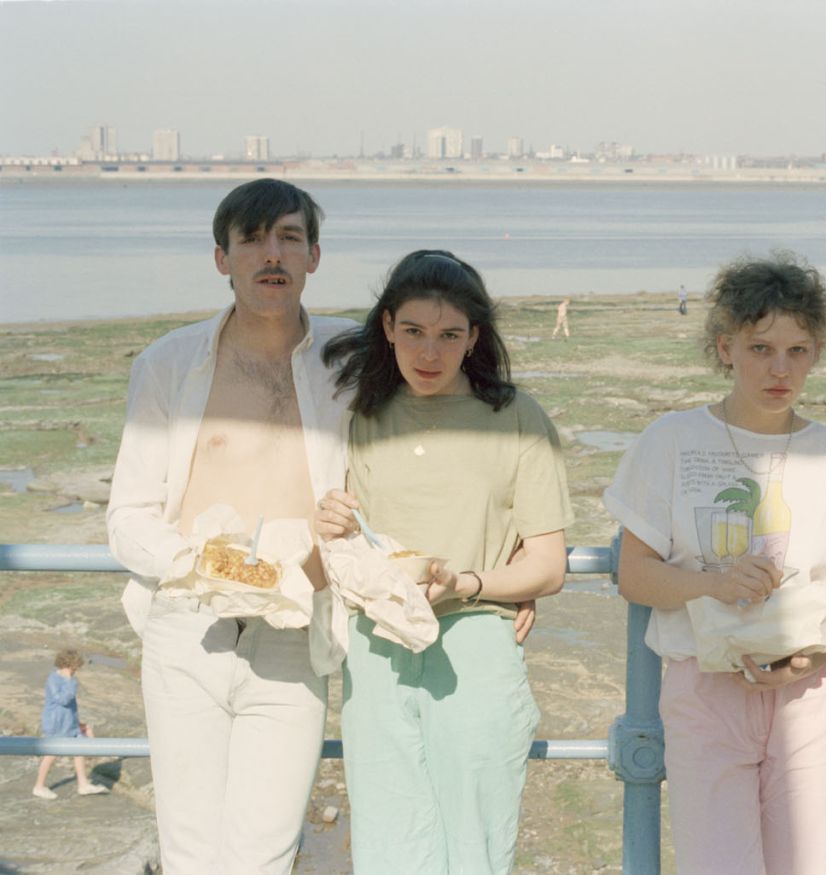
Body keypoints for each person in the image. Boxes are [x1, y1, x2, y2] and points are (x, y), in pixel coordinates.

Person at [605, 253, 826, 874]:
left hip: (810, 690)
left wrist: (813, 659)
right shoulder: (670, 441)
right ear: (724, 346)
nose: (779, 369)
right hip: (705, 688)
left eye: (797, 350)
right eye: (760, 348)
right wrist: (713, 583)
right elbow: (634, 573)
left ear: (817, 351)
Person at [106, 179, 354, 873]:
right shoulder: (169, 364)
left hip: (296, 627)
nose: (271, 253)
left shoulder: (354, 361)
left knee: (265, 849)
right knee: (190, 849)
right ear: (222, 257)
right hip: (189, 623)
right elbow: (127, 516)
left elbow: (448, 405)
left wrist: (507, 567)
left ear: (314, 255)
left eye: (289, 237)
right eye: (251, 239)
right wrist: (204, 565)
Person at [316, 250, 573, 873]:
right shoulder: (357, 415)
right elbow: (344, 536)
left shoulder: (517, 418)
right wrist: (327, 521)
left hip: (478, 641)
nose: (429, 353)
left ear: (474, 338)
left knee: (477, 836)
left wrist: (470, 582)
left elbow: (549, 563)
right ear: (387, 329)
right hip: (378, 647)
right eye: (413, 333)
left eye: (449, 335)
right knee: (387, 834)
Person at [32, 648, 108, 799]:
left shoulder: (68, 680)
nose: (76, 670)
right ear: (70, 665)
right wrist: (69, 682)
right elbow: (62, 700)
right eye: (76, 667)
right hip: (56, 723)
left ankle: (83, 784)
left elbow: (70, 708)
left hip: (68, 723)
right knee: (52, 753)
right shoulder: (55, 679)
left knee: (78, 749)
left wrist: (79, 724)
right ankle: (39, 786)